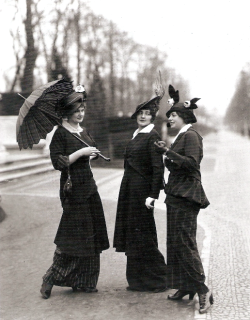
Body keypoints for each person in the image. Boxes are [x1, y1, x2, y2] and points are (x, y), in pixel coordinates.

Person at [40, 85, 109, 299]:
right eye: (77, 111)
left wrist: (93, 154)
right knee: (73, 235)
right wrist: (81, 152)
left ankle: (85, 281)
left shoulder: (83, 131)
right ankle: (50, 277)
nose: (81, 114)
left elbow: (92, 151)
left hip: (89, 186)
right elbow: (59, 162)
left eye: (83, 110)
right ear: (68, 113)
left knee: (92, 235)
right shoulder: (60, 134)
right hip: (72, 189)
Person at [154, 85, 213, 314]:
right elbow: (177, 163)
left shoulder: (191, 135)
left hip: (187, 196)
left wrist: (168, 153)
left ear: (185, 116)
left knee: (185, 243)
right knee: (175, 242)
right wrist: (166, 150)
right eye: (169, 115)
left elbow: (191, 164)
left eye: (174, 115)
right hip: (177, 195)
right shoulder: (181, 136)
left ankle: (202, 289)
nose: (170, 118)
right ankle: (184, 285)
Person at [113, 89, 168, 293]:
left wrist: (153, 195)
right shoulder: (137, 134)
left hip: (142, 194)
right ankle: (137, 281)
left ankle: (157, 279)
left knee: (143, 236)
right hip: (129, 191)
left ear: (152, 116)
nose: (143, 116)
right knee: (133, 235)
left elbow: (157, 168)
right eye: (140, 113)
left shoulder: (151, 135)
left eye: (146, 113)